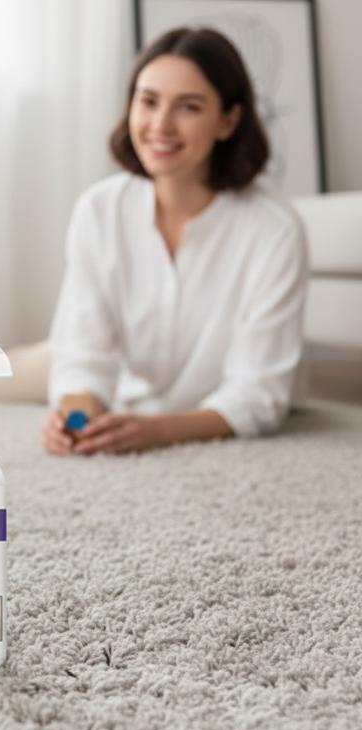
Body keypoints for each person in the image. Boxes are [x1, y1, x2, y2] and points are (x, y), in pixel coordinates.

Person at [43, 27, 307, 456]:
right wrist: (74, 422)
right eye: (148, 101)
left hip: (180, 407)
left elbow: (259, 394)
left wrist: (158, 431)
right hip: (123, 385)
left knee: (22, 369)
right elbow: (82, 358)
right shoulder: (99, 209)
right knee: (7, 376)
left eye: (189, 107)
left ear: (228, 120)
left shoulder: (274, 229)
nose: (160, 125)